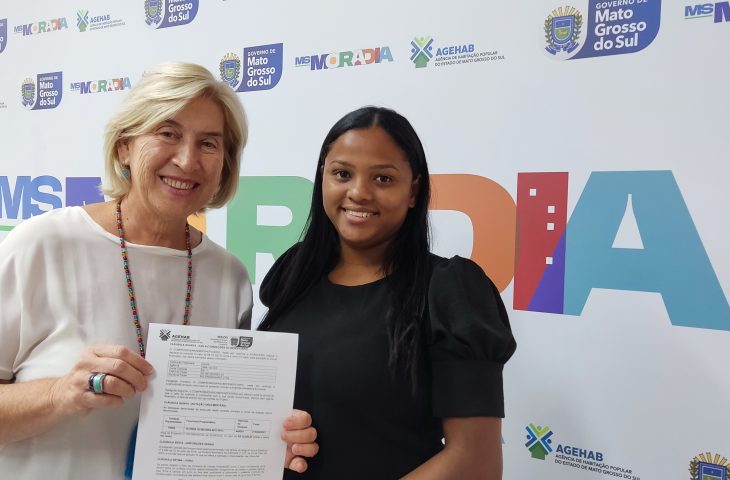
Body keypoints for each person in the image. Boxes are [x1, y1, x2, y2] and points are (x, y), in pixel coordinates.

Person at [0, 62, 317, 479]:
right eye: (167, 133)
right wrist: (61, 393)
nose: (187, 160)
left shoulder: (229, 276)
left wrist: (266, 439)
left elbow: (214, 432)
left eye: (209, 143)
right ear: (124, 147)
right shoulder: (42, 245)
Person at [259, 106, 516, 479]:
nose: (359, 193)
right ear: (323, 177)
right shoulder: (295, 273)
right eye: (342, 174)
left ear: (413, 191)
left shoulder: (447, 290)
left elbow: (476, 462)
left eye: (382, 178)